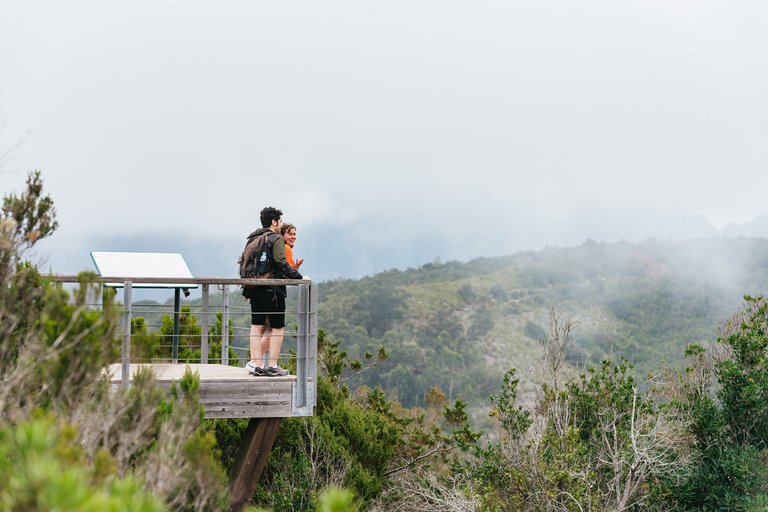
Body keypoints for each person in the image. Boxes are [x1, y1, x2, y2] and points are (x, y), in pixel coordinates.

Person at [243, 207, 309, 377]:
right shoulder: (275, 239)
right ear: (274, 222)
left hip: (254, 287)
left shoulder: (253, 237)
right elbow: (281, 262)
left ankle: (257, 365)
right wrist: (299, 277)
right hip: (272, 289)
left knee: (256, 326)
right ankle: (272, 366)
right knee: (277, 327)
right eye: (280, 221)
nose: (280, 224)